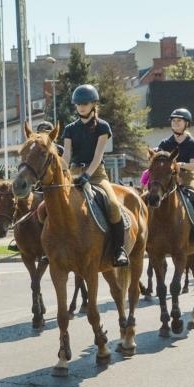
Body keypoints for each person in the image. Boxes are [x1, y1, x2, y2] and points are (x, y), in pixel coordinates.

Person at [61, 84, 130, 267]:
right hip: (74, 172)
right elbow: (66, 155)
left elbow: (99, 154)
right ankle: (50, 248)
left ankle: (119, 249)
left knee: (113, 205)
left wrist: (88, 175)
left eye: (85, 103)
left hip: (97, 174)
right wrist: (59, 171)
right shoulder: (69, 129)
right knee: (48, 205)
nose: (81, 107)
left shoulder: (102, 127)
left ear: (93, 104)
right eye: (78, 103)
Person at [153, 107, 194, 250]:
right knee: (150, 196)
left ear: (186, 124)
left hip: (187, 177)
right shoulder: (165, 143)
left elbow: (193, 165)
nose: (175, 123)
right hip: (168, 178)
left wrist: (178, 164)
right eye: (173, 121)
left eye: (179, 121)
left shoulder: (192, 143)